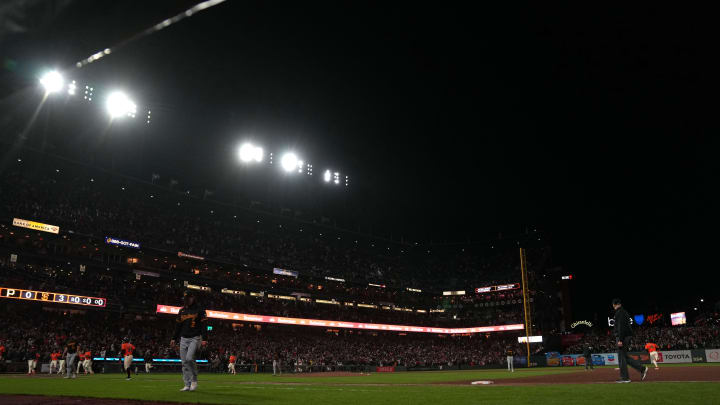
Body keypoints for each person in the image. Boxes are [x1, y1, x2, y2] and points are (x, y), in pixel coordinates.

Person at [170, 290, 207, 392]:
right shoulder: (181, 311)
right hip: (183, 338)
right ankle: (187, 384)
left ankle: (194, 379)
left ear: (193, 298)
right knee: (184, 362)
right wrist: (174, 338)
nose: (187, 300)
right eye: (185, 298)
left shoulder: (200, 310)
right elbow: (178, 327)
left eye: (188, 298)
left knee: (190, 358)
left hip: (195, 337)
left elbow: (204, 326)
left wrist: (205, 339)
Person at [612, 298, 648, 383]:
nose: (613, 306)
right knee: (624, 357)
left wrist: (620, 339)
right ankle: (641, 368)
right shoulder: (623, 312)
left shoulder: (619, 312)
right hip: (626, 336)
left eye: (613, 305)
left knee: (621, 357)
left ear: (615, 304)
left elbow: (621, 327)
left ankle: (625, 378)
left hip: (622, 337)